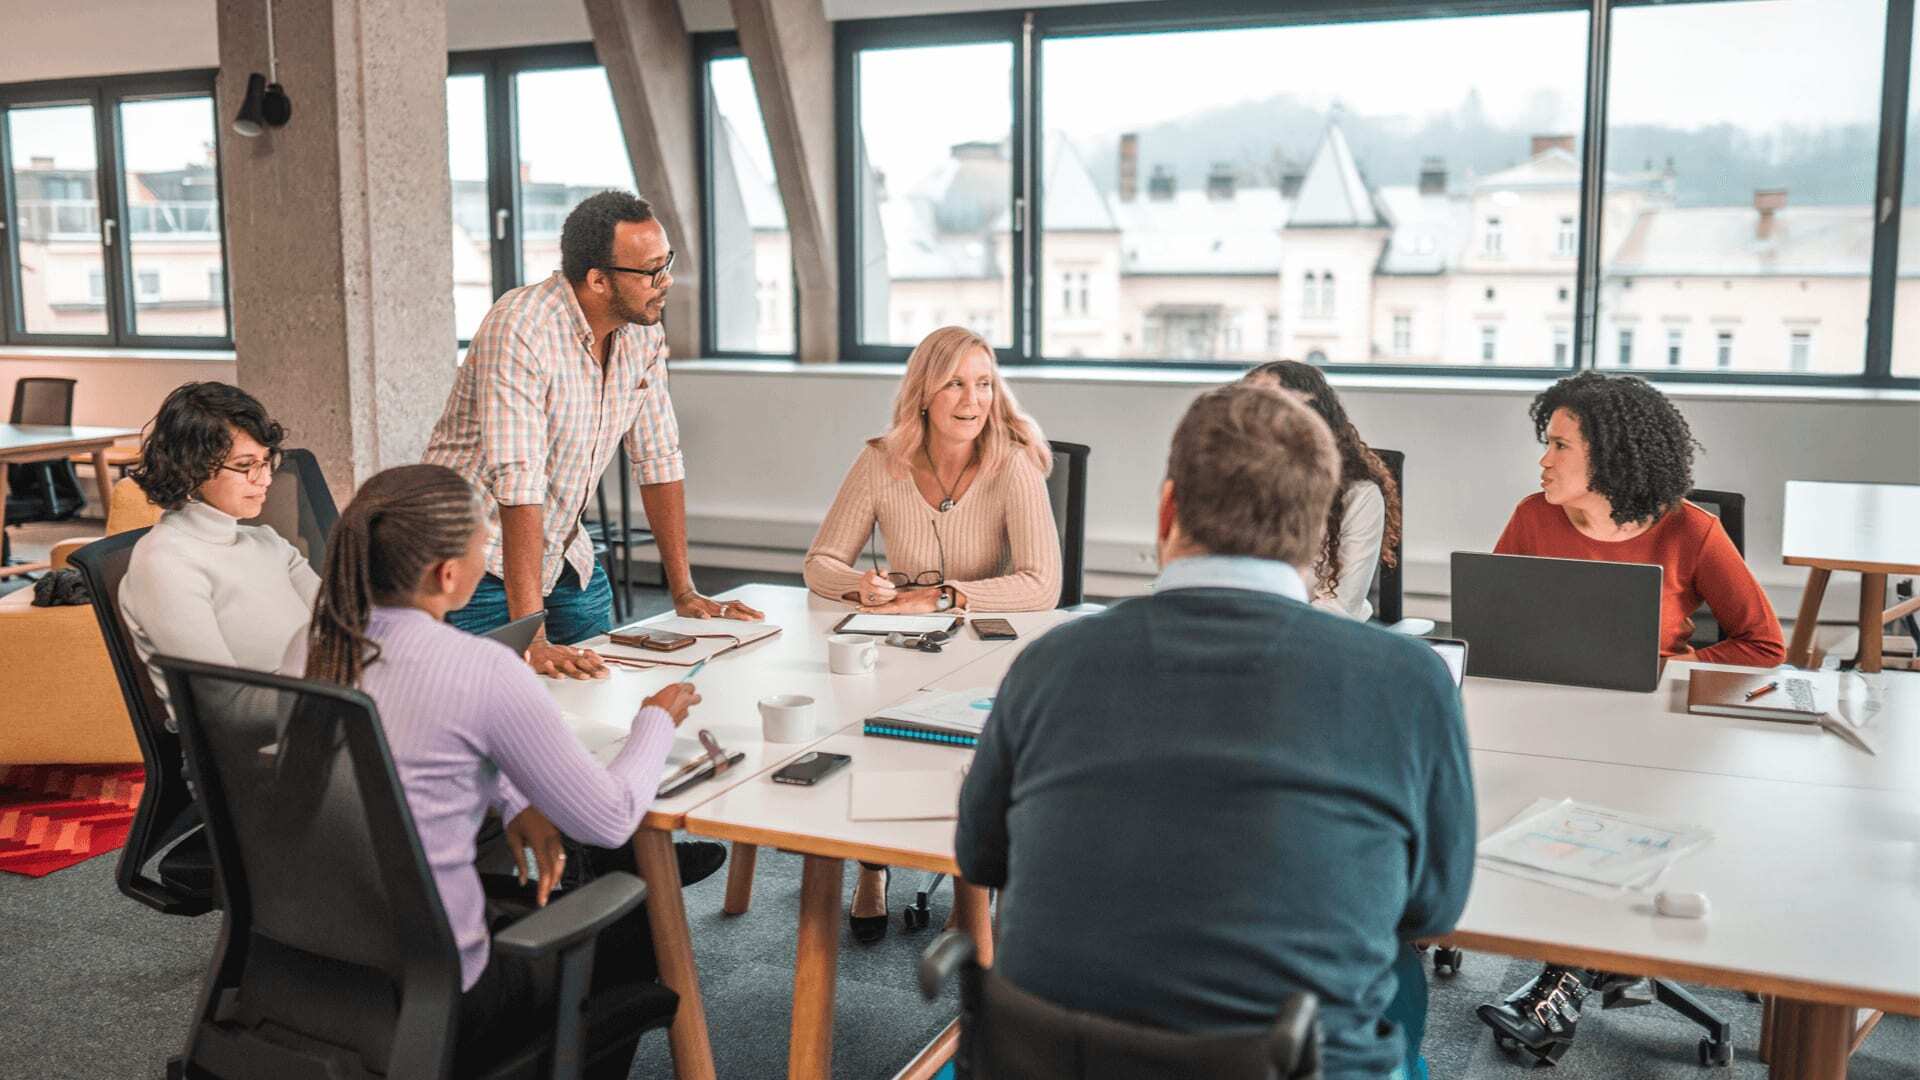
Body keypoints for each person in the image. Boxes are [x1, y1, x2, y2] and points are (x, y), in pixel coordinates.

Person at [957, 384, 1475, 1080]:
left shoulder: (1051, 661)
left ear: (1167, 509)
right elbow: (1433, 907)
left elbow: (983, 855)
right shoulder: (1409, 681)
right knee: (1397, 983)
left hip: (1051, 1061)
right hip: (1292, 1064)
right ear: (1317, 523)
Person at [290, 464, 696, 1078]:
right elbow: (611, 818)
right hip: (441, 996)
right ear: (447, 574)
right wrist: (655, 720)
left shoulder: (312, 645)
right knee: (633, 913)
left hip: (309, 966)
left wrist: (513, 797)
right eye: (486, 544)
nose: (490, 556)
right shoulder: (479, 666)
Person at [1475, 371, 1785, 1064]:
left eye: (1558, 445)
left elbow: (1764, 644)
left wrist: (1662, 668)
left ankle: (1562, 984)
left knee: (1594, 813)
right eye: (1544, 443)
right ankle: (1572, 968)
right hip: (1548, 722)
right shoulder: (1532, 515)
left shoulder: (1692, 532)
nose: (1543, 460)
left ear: (1609, 456)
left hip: (1651, 733)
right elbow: (1493, 622)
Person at [424, 189, 763, 686]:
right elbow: (518, 484)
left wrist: (684, 590)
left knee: (599, 693)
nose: (665, 281)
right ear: (598, 280)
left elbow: (659, 458)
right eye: (651, 271)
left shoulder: (642, 332)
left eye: (665, 262)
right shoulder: (521, 326)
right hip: (475, 563)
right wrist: (530, 634)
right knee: (494, 714)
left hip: (563, 554)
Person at [802, 324, 1060, 941]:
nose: (973, 401)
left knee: (971, 745)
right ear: (923, 393)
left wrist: (944, 596)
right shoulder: (881, 461)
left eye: (984, 385)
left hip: (988, 652)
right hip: (901, 648)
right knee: (865, 716)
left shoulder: (1012, 463)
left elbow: (1041, 584)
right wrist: (859, 588)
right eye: (955, 385)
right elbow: (820, 563)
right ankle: (871, 864)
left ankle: (972, 885)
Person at [120, 381, 318, 719]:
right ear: (191, 468)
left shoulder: (268, 543)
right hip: (257, 752)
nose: (265, 478)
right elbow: (227, 707)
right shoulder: (164, 563)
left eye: (267, 461)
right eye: (245, 466)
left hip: (315, 719)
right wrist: (348, 695)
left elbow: (349, 629)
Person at [1242, 359, 1401, 621]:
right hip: (1249, 631)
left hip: (1322, 634)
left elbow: (1340, 607)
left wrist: (1266, 627)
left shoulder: (1358, 495)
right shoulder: (1234, 484)